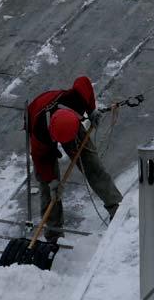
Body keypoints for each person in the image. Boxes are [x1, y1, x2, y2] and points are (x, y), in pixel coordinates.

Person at [27, 76, 123, 241]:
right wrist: (52, 181)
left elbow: (83, 81)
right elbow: (40, 159)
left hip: (67, 121)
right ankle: (53, 233)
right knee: (48, 188)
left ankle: (117, 208)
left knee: (92, 165)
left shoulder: (75, 100)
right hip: (39, 114)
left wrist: (91, 109)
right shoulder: (39, 132)